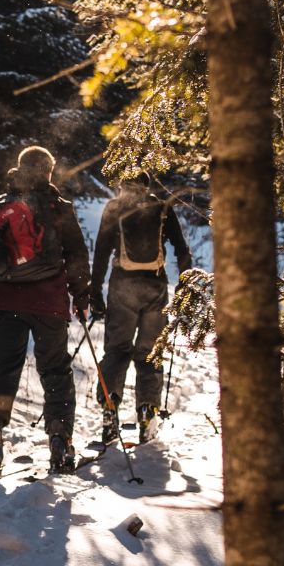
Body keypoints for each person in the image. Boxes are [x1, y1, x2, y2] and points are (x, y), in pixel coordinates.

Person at [0, 146, 92, 477]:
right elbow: (77, 255)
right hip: (48, 301)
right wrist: (82, 297)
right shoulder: (58, 208)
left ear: (19, 168)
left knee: (4, 368)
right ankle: (60, 439)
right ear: (49, 172)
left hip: (4, 301)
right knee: (54, 370)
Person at [90, 176, 192, 446]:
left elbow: (101, 251)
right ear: (147, 187)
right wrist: (185, 283)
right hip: (155, 287)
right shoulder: (161, 208)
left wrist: (94, 293)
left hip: (122, 285)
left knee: (117, 350)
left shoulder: (114, 207)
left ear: (122, 186)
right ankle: (147, 411)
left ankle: (110, 409)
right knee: (149, 353)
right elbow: (181, 247)